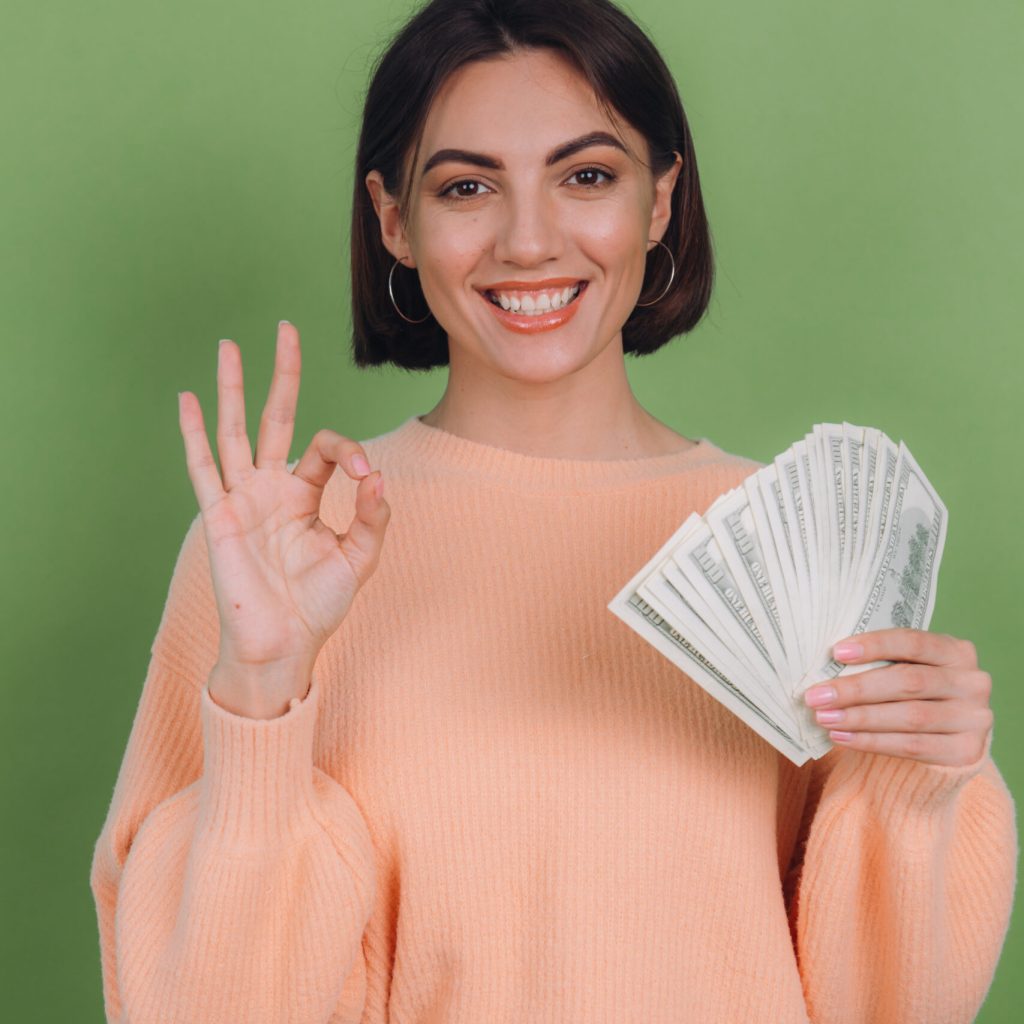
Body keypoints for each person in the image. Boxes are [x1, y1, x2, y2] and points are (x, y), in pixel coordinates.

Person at [89, 1, 1017, 1021]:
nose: (528, 241)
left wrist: (921, 782)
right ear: (393, 219)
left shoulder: (799, 546)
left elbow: (880, 1007)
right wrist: (262, 693)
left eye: (586, 175)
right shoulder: (279, 554)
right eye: (467, 186)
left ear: (660, 199)